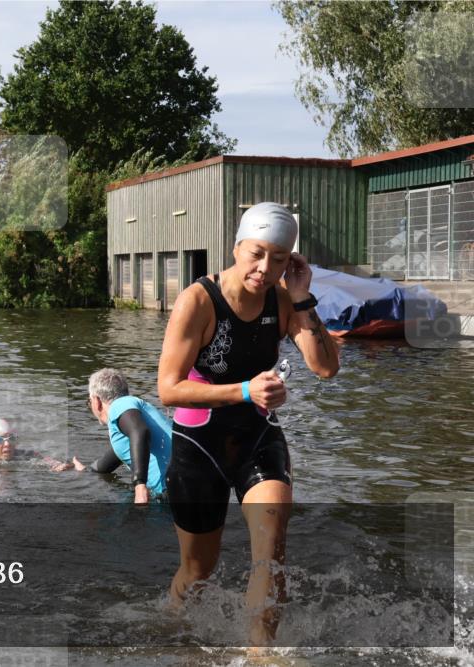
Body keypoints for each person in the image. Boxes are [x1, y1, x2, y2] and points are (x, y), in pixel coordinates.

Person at [157, 202, 340, 647]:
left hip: (258, 438)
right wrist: (244, 390)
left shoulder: (281, 299)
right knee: (199, 570)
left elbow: (325, 367)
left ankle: (261, 655)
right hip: (199, 445)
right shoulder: (198, 300)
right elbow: (169, 389)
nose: (265, 268)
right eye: (256, 253)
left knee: (270, 553)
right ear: (237, 246)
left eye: (279, 258)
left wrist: (300, 296)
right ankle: (174, 635)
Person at [70, 368, 172, 504]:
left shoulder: (120, 404)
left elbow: (140, 431)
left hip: (176, 491)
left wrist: (139, 485)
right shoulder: (128, 431)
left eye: (89, 402)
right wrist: (79, 469)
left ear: (96, 401)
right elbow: (103, 467)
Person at [0, 418, 71, 471]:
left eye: (12, 438)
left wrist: (60, 465)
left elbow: (47, 460)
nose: (7, 444)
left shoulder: (27, 455)